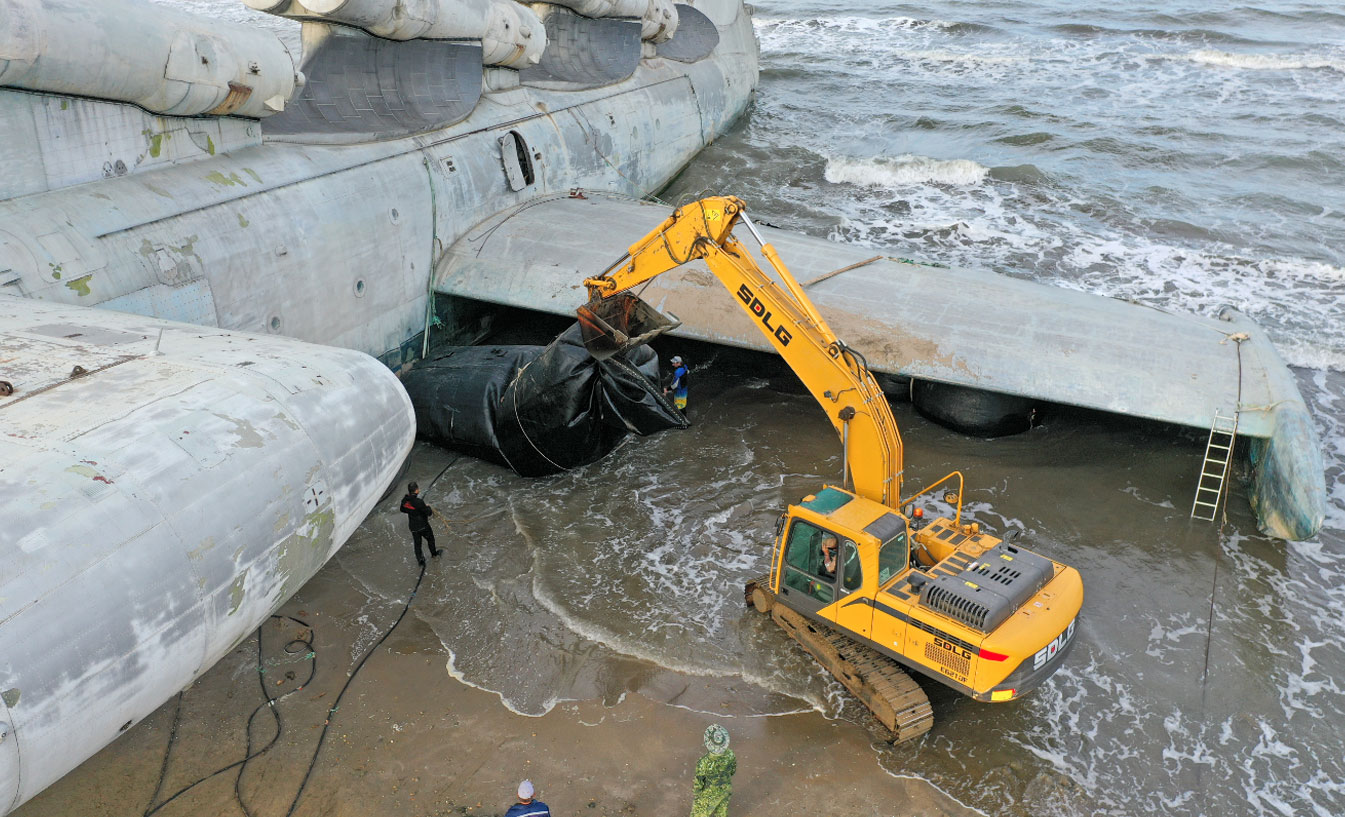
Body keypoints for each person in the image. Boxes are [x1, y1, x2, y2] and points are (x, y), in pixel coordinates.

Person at [690, 724, 736, 817]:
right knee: (721, 813)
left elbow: (698, 783)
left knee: (698, 813)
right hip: (725, 788)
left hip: (710, 793)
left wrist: (697, 793)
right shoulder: (730, 754)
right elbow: (732, 771)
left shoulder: (703, 762)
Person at [399, 481, 440, 567]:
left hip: (413, 527)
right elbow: (428, 513)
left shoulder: (405, 501)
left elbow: (402, 509)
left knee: (417, 544)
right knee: (430, 539)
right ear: (416, 490)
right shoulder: (419, 502)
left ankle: (421, 561)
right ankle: (434, 554)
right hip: (423, 526)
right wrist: (428, 507)